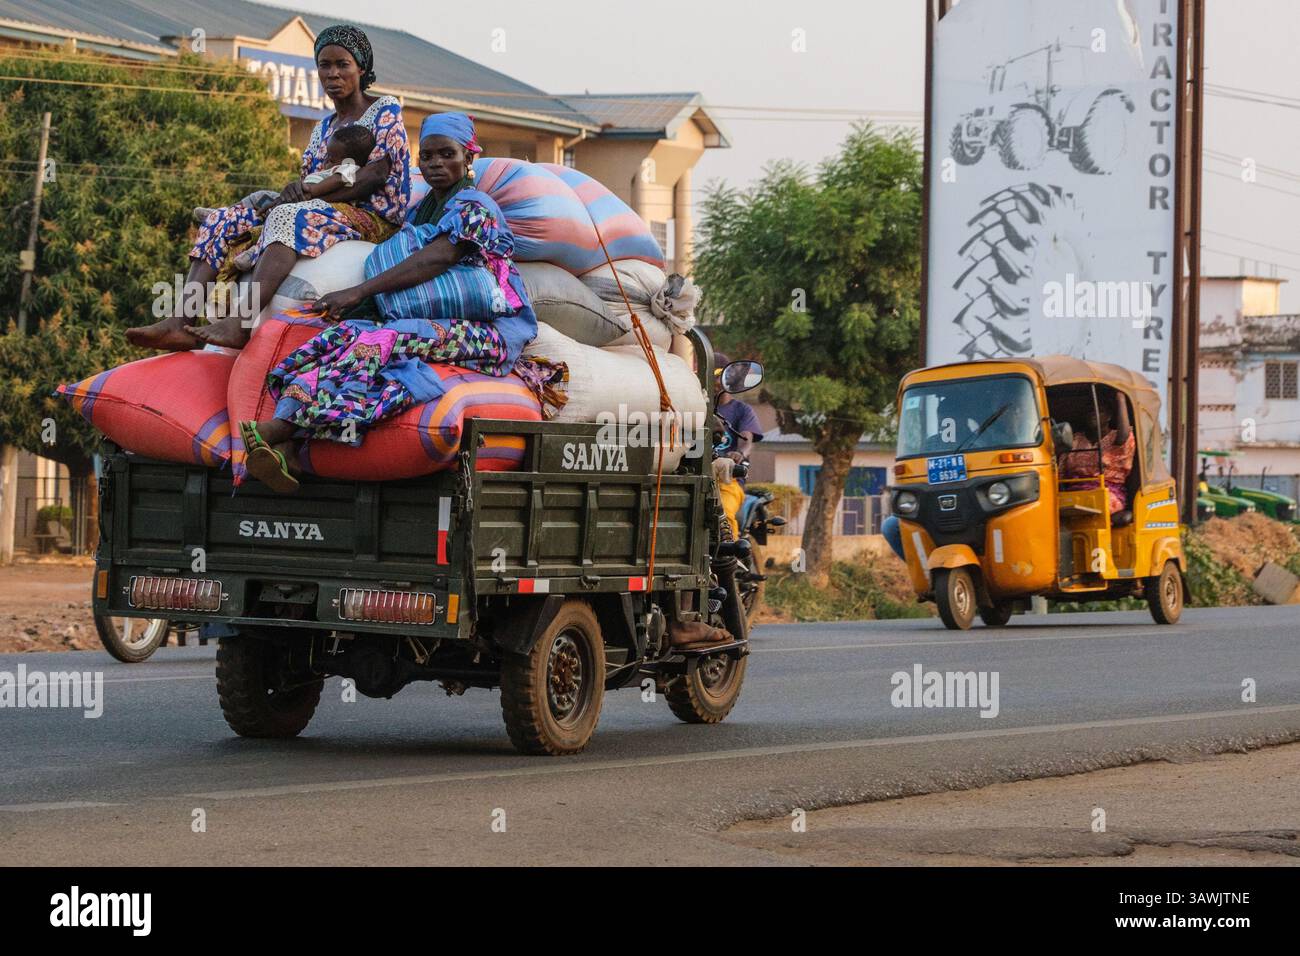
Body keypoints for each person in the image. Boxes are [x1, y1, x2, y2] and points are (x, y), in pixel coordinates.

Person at [236, 112, 568, 493]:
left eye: (447, 154)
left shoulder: (477, 207)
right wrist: (355, 308)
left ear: (469, 157)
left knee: (384, 341)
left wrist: (359, 292)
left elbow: (436, 258)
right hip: (430, 316)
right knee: (339, 338)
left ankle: (283, 430)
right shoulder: (419, 210)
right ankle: (289, 444)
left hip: (490, 331)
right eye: (427, 156)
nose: (436, 164)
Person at [127, 24, 410, 351]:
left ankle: (240, 323)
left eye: (342, 64)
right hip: (323, 208)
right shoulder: (322, 128)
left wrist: (304, 196)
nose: (333, 73)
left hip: (371, 218)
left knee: (288, 216)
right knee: (224, 219)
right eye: (325, 65)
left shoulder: (383, 109)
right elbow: (313, 181)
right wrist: (290, 195)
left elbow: (375, 175)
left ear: (361, 68)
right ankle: (180, 320)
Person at [1058, 392, 1135, 515]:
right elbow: (1060, 472)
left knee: (1097, 507)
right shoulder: (1075, 439)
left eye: (1099, 411)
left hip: (1107, 492)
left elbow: (1123, 437)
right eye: (1089, 411)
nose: (1092, 415)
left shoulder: (1116, 438)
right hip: (1074, 492)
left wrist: (1120, 398)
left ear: (1109, 416)